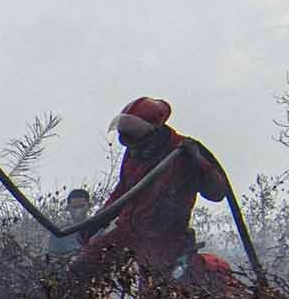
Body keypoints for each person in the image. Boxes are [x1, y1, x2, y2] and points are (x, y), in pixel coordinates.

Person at [68, 98, 232, 287]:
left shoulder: (182, 154)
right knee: (82, 267)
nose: (131, 147)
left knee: (155, 295)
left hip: (165, 238)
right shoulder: (134, 152)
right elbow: (121, 194)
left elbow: (217, 193)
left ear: (154, 133)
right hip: (128, 230)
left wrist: (200, 163)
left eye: (134, 137)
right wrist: (96, 222)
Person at [45, 188, 93, 259]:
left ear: (89, 206)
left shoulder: (98, 227)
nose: (78, 211)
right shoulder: (58, 235)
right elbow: (50, 260)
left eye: (82, 207)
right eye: (75, 207)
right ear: (68, 208)